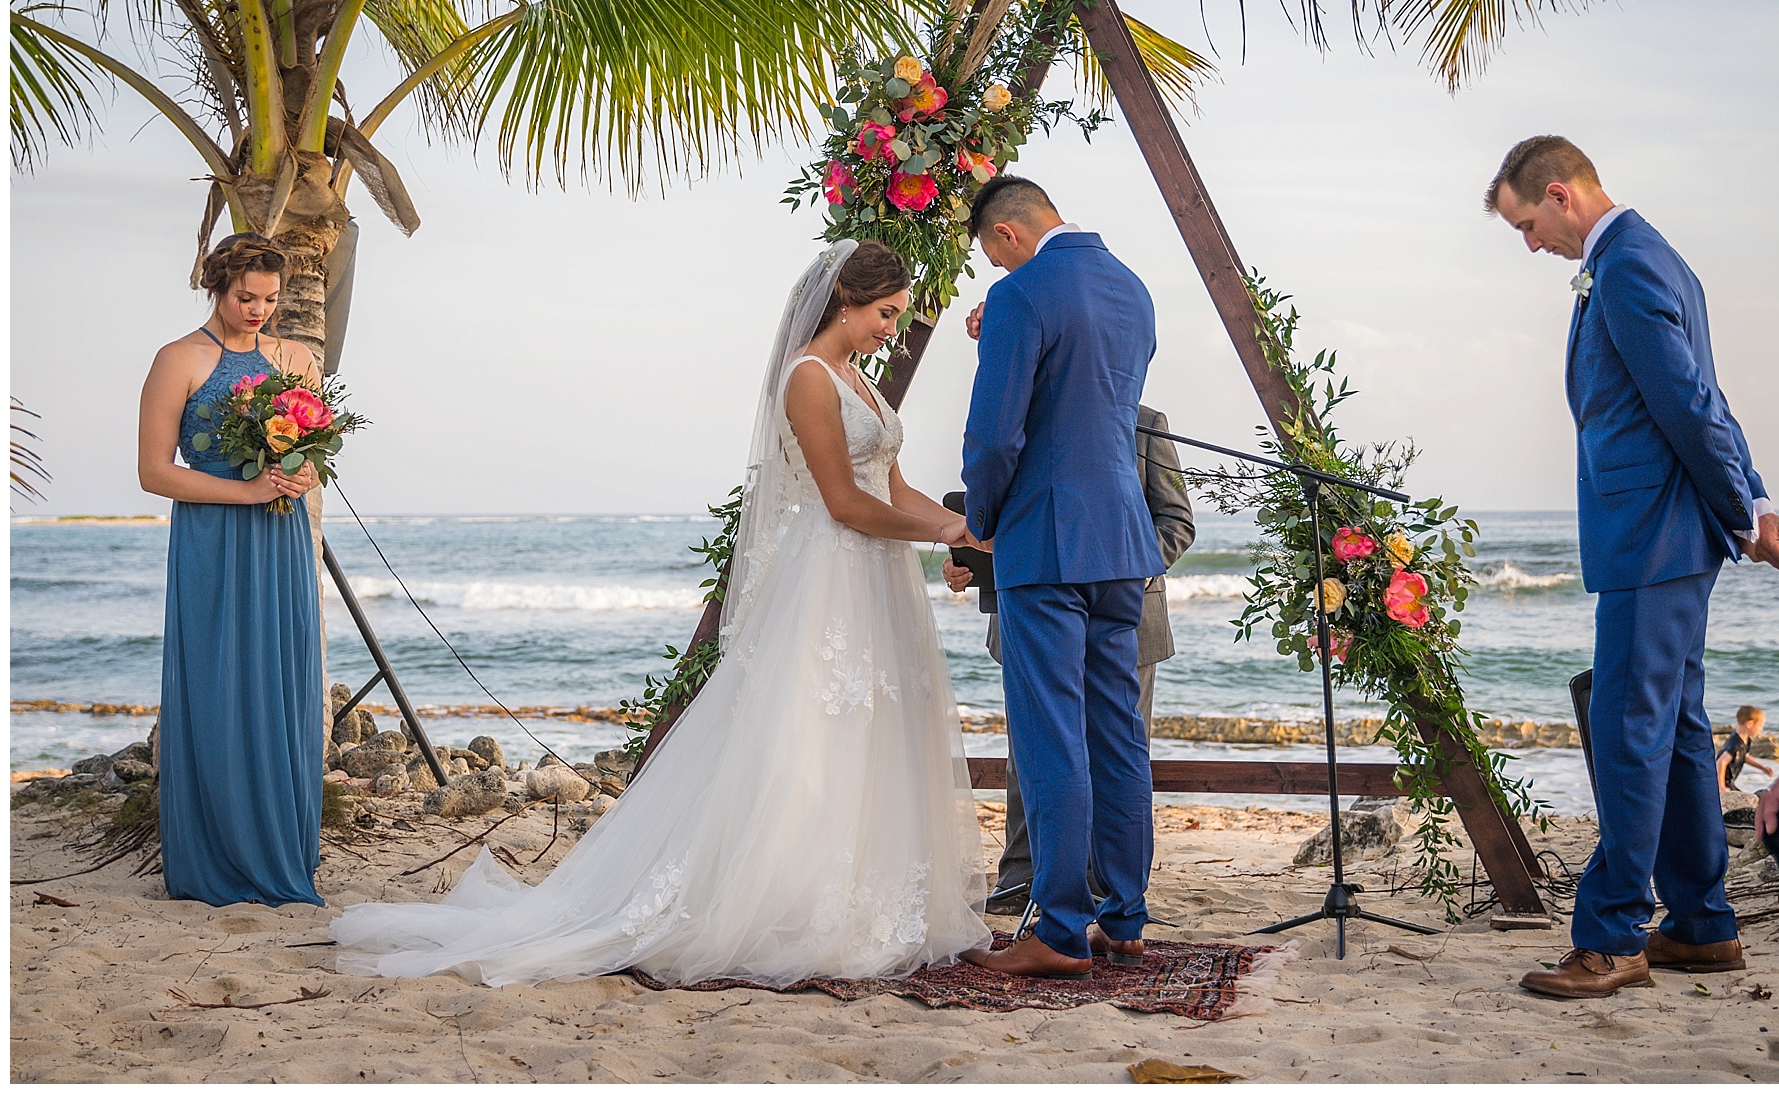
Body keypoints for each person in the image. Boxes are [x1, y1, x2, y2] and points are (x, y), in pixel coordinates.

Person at [332, 240, 991, 986]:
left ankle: (871, 899)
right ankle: (791, 901)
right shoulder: (808, 379)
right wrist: (940, 532)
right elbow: (842, 500)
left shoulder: (861, 385)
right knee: (810, 735)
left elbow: (892, 487)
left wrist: (956, 524)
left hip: (880, 575)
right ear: (845, 297)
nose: (889, 329)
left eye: (897, 317)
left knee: (877, 732)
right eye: (884, 313)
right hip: (831, 573)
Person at [1486, 137, 1779, 998]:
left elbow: (1690, 403)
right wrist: (1755, 501)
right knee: (1682, 732)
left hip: (1652, 535)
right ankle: (1701, 925)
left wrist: (1742, 513)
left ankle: (1613, 933)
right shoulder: (1651, 256)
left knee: (1628, 731)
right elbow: (1705, 393)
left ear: (1560, 193)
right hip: (1663, 533)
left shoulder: (1625, 265)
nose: (1530, 243)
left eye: (1527, 223)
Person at [957, 176, 1163, 980]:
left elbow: (996, 434)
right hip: (1121, 536)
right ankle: (1126, 917)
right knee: (1118, 730)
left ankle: (1061, 927)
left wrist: (983, 516)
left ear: (1006, 235)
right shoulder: (1132, 288)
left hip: (1045, 537)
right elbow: (1094, 404)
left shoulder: (1021, 292)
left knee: (1050, 736)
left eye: (990, 255)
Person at [945, 401, 1193, 915]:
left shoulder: (1145, 422)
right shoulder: (1013, 420)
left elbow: (1176, 521)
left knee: (1119, 750)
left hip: (1128, 617)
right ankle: (1020, 877)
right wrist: (961, 564)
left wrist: (1137, 565)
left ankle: (1109, 887)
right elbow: (987, 520)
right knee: (1027, 756)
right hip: (1028, 609)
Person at [138, 233, 325, 907]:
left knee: (281, 685)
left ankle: (281, 849)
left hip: (279, 542)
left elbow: (312, 452)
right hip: (212, 538)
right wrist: (248, 488)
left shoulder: (296, 358)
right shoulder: (177, 359)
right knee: (216, 683)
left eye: (270, 300)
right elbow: (153, 471)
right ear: (216, 284)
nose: (258, 310)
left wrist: (300, 473)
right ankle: (215, 857)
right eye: (246, 296)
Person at [1717, 706, 1776, 792]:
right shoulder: (1736, 744)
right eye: (1759, 726)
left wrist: (1762, 768)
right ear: (1749, 724)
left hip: (1729, 782)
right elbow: (1721, 762)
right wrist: (1721, 787)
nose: (1761, 729)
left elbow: (1744, 756)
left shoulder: (1745, 740)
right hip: (1723, 782)